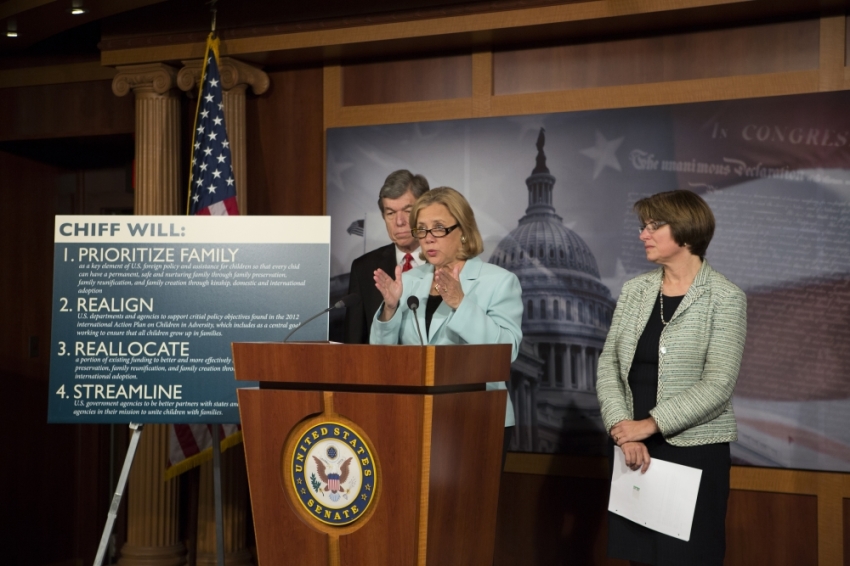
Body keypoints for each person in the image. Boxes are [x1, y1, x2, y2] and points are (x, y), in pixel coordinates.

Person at [596, 190, 747, 566]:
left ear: (686, 231)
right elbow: (608, 368)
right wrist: (621, 428)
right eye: (642, 226)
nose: (642, 234)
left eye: (653, 225)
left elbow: (718, 384)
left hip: (695, 452)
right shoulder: (635, 291)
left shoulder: (725, 297)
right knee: (640, 559)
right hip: (634, 452)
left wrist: (646, 426)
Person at [370, 187, 523, 431]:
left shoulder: (499, 282)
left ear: (462, 230)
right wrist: (389, 310)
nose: (428, 237)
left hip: (477, 417)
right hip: (413, 415)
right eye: (421, 229)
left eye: (439, 228)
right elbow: (381, 358)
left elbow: (506, 352)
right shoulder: (409, 281)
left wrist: (461, 303)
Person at [343, 170, 430, 344]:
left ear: (425, 211)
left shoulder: (444, 264)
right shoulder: (364, 268)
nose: (399, 221)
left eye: (408, 211)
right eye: (390, 213)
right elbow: (354, 342)